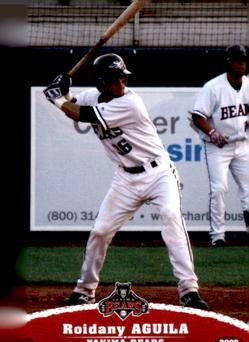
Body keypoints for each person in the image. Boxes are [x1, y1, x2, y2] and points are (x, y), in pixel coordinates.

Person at [44, 53, 208, 310]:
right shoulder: (92, 96)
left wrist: (57, 98)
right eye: (114, 79)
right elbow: (73, 104)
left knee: (171, 218)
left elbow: (78, 114)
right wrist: (63, 90)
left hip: (159, 173)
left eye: (122, 77)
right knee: (100, 231)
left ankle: (189, 290)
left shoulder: (130, 103)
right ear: (101, 82)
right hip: (126, 178)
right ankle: (85, 290)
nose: (121, 83)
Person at [192, 45, 249, 247]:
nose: (241, 65)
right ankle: (218, 236)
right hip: (218, 148)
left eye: (243, 61)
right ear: (228, 63)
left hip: (242, 145)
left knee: (248, 189)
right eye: (237, 61)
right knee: (219, 189)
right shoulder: (213, 87)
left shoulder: (248, 85)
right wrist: (212, 132)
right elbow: (198, 116)